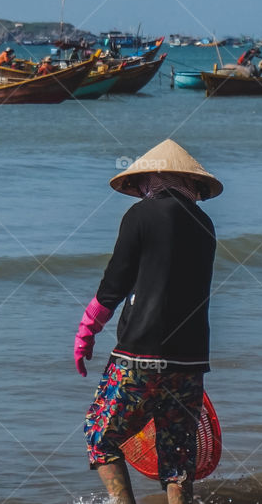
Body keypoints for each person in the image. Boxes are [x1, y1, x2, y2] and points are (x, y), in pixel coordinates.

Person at [75, 139, 221, 504]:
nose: (140, 191)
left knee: (99, 435)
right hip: (189, 362)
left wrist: (87, 331)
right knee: (177, 459)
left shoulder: (140, 216)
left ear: (155, 177)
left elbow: (115, 283)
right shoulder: (205, 224)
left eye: (143, 184)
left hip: (139, 355)